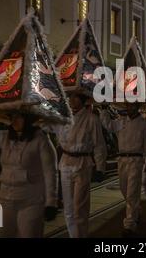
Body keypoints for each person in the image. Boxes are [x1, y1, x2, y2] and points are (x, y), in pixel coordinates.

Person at [0, 110, 58, 238]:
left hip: (31, 201)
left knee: (28, 234)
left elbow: (50, 172)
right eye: (12, 117)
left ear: (28, 119)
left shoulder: (41, 140)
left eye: (18, 117)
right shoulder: (5, 136)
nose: (14, 121)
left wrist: (51, 202)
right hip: (5, 200)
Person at [41, 91, 106, 238]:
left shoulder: (91, 119)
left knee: (79, 207)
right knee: (69, 208)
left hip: (83, 164)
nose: (71, 99)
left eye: (75, 96)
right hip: (65, 163)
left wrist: (100, 168)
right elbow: (44, 126)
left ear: (82, 100)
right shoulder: (61, 117)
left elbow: (99, 145)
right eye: (70, 96)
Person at [101, 102, 146, 237]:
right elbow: (108, 126)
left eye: (132, 106)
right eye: (128, 106)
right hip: (122, 160)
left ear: (137, 107)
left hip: (136, 160)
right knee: (125, 190)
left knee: (132, 191)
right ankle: (135, 211)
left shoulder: (144, 124)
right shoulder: (121, 121)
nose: (130, 108)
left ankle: (129, 224)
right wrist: (104, 110)